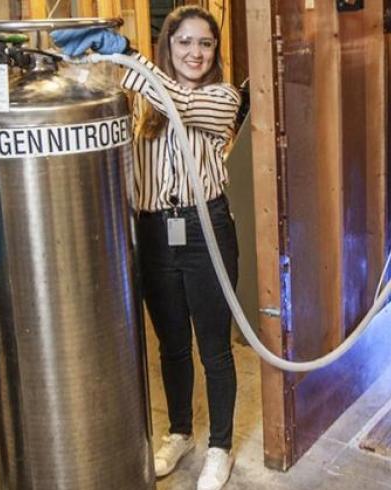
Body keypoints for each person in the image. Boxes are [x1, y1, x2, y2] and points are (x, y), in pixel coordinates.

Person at [51, 7, 242, 490]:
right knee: (172, 345)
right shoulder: (141, 103)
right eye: (184, 43)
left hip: (206, 230)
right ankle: (180, 432)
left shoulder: (222, 97)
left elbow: (179, 101)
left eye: (205, 44)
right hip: (155, 230)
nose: (195, 53)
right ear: (168, 46)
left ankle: (220, 446)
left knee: (214, 348)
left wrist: (131, 58)